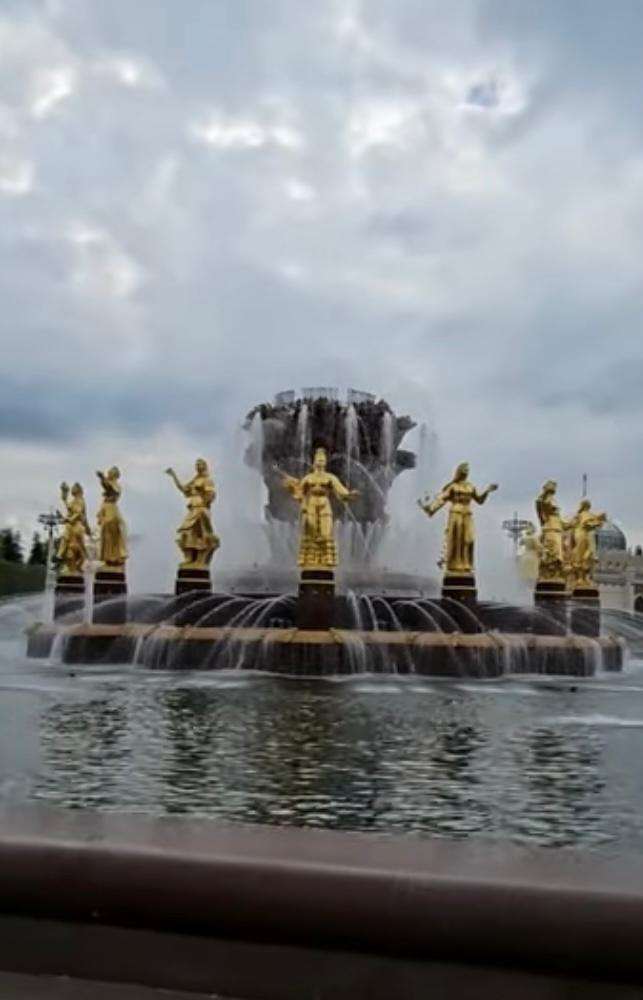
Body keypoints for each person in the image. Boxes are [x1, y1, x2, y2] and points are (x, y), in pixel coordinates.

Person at [282, 447, 357, 567]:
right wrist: (291, 487)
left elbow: (340, 491)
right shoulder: (308, 478)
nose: (320, 462)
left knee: (325, 531)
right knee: (311, 532)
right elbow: (300, 493)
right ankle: (309, 559)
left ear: (326, 462)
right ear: (314, 461)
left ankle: (327, 559)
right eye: (318, 459)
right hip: (311, 505)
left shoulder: (330, 477)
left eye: (323, 460)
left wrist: (349, 495)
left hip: (324, 504)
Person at [418, 462, 498, 575]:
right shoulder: (453, 486)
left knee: (469, 540)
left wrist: (487, 491)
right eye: (465, 470)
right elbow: (442, 499)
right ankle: (454, 566)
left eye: (468, 470)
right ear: (460, 472)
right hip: (456, 513)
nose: (467, 472)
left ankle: (467, 565)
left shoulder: (470, 486)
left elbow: (480, 500)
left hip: (468, 514)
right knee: (456, 539)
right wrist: (431, 508)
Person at [165, 458, 219, 568]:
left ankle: (200, 559)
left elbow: (211, 494)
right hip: (193, 509)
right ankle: (190, 558)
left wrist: (204, 503)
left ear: (204, 466)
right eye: (196, 464)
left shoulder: (206, 480)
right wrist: (174, 476)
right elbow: (183, 488)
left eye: (200, 464)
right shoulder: (194, 480)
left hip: (200, 509)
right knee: (188, 532)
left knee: (202, 534)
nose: (197, 466)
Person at [96, 466, 128, 567]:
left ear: (114, 475)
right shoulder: (110, 484)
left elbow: (109, 487)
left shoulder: (116, 486)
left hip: (111, 510)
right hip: (106, 509)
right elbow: (106, 485)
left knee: (111, 533)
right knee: (106, 534)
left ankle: (114, 557)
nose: (108, 474)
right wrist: (102, 479)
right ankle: (108, 558)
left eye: (110, 473)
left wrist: (102, 478)